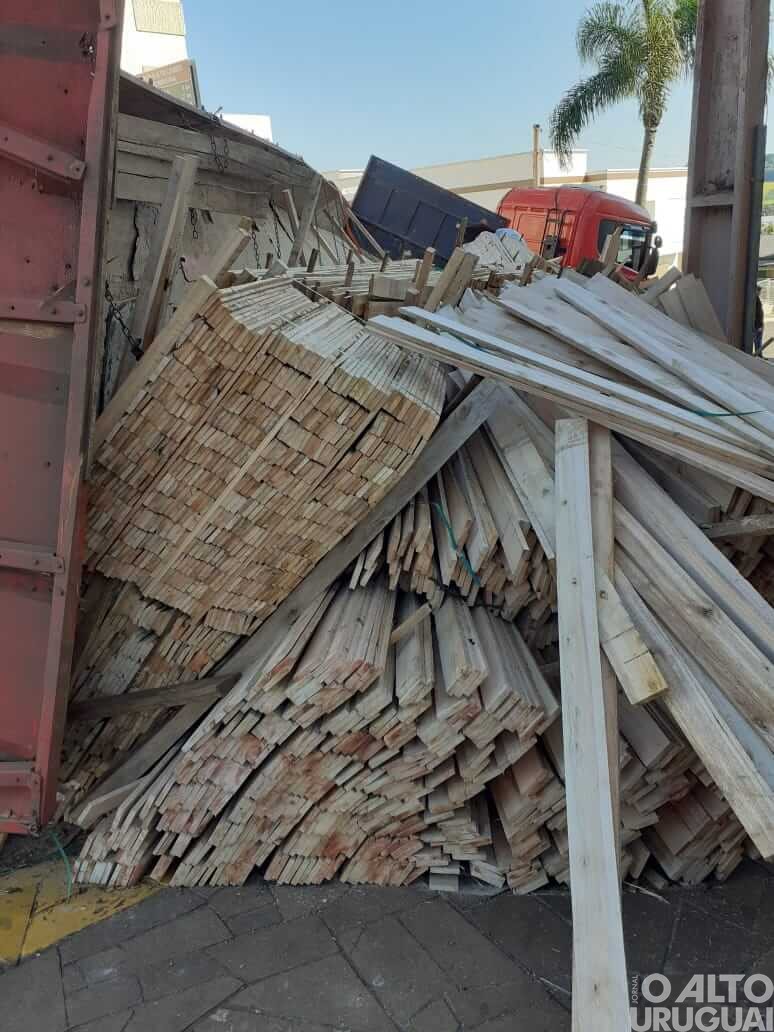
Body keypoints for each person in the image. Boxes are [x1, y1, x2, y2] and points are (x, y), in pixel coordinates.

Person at [754, 285, 764, 355]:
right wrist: (759, 325)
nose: (759, 293)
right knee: (757, 340)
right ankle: (759, 355)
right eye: (759, 291)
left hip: (759, 324)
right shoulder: (754, 299)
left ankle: (759, 354)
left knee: (758, 341)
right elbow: (757, 313)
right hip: (757, 324)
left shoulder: (757, 299)